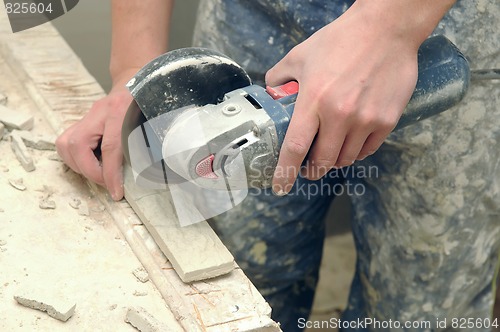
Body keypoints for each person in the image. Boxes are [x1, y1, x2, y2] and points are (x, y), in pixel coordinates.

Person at [56, 0, 500, 331]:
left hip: (439, 27)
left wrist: (389, 25)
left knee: (420, 309)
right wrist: (136, 74)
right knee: (245, 282)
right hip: (257, 21)